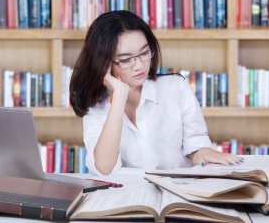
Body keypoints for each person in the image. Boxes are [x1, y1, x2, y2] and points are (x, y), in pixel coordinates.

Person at [70, 10, 243, 176]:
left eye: (144, 52)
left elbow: (196, 146)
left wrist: (204, 153)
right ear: (104, 62)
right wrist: (120, 95)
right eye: (125, 59)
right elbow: (104, 168)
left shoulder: (175, 87)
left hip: (178, 194)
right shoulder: (95, 107)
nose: (139, 65)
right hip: (130, 198)